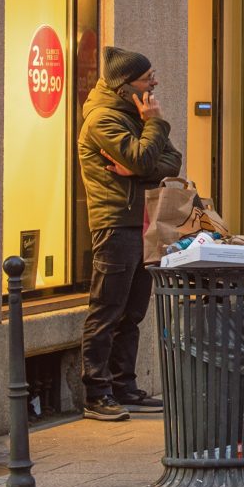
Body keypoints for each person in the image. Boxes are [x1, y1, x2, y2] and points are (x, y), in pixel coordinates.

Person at [76, 49, 182, 421]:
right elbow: (143, 158)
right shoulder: (103, 120)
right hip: (115, 223)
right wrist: (153, 125)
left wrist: (142, 164)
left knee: (133, 312)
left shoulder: (133, 116)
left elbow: (171, 160)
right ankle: (96, 392)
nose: (154, 83)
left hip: (143, 223)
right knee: (107, 309)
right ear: (125, 87)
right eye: (147, 77)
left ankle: (124, 385)